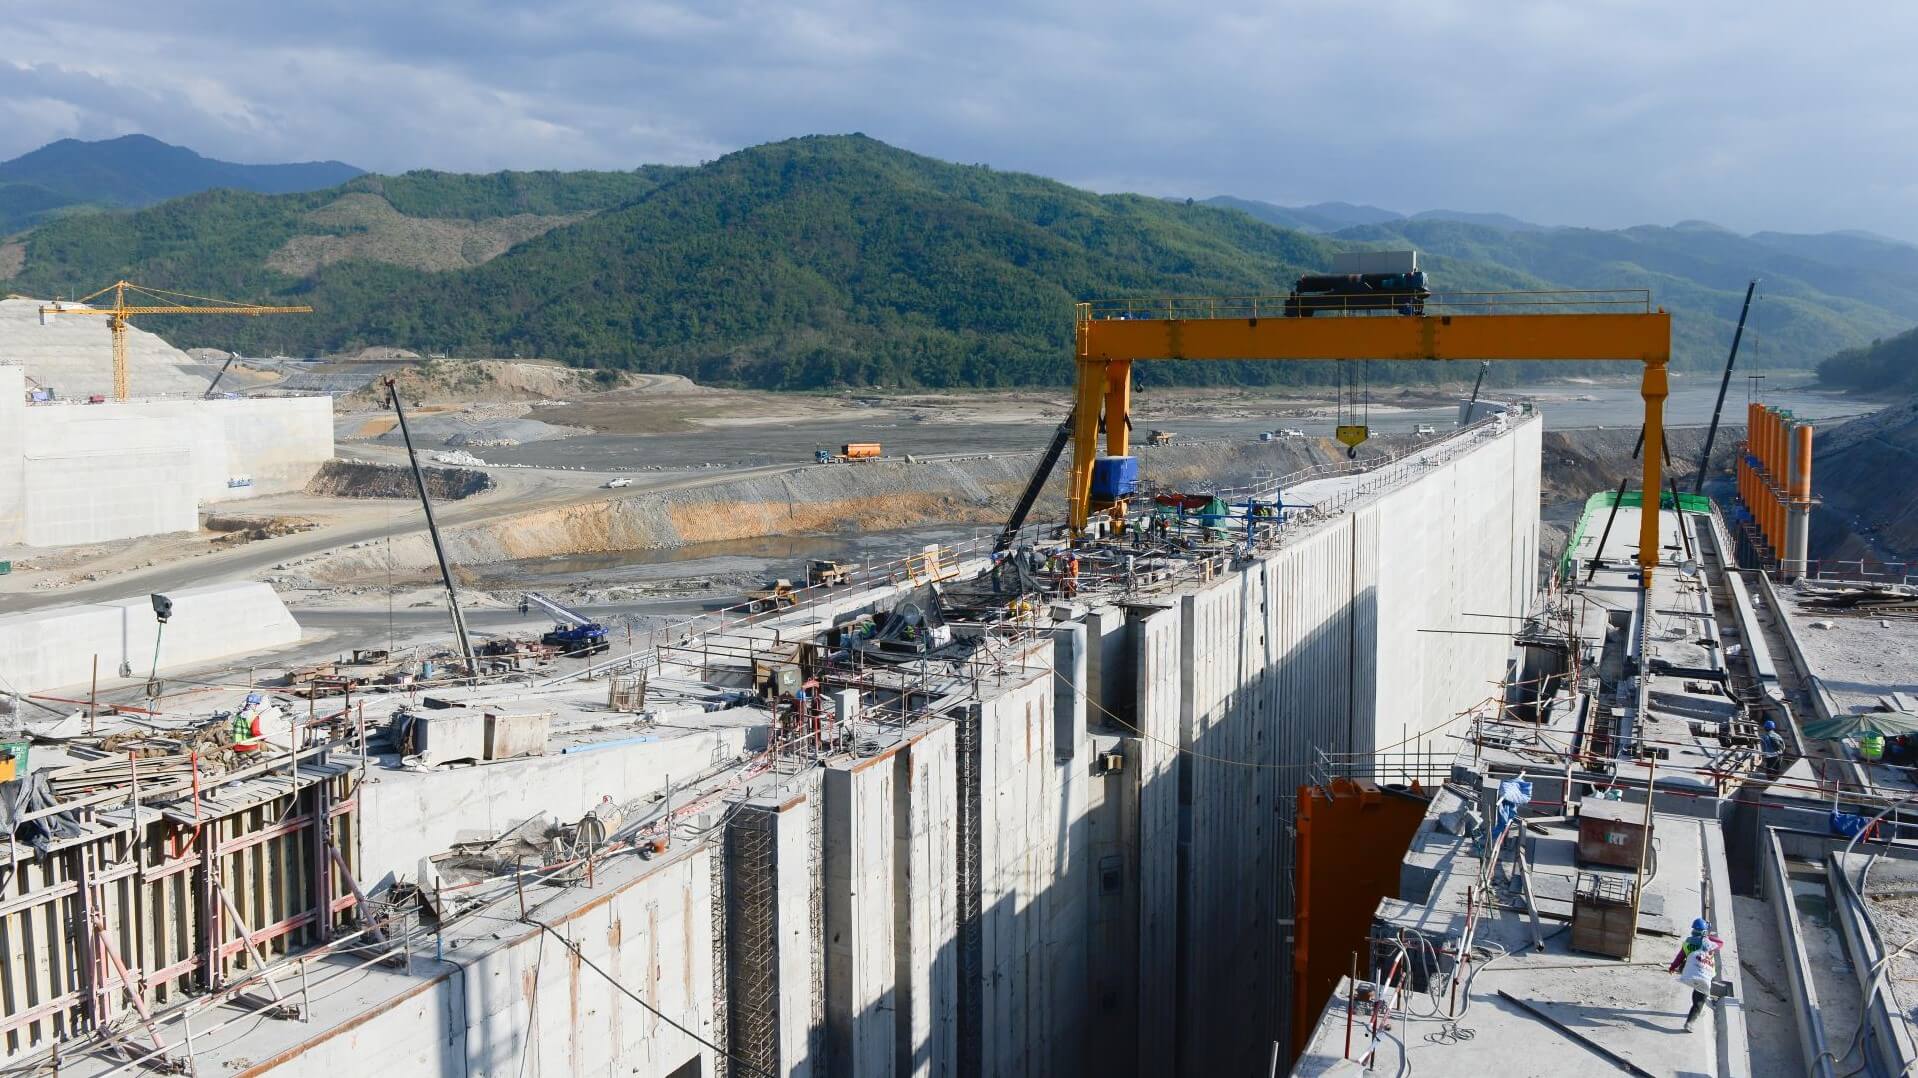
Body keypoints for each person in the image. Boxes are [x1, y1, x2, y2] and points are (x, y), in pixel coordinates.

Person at [1669, 917, 1724, 1031]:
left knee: (1695, 983)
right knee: (1700, 998)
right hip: (1702, 974)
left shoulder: (1688, 943)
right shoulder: (1709, 944)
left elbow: (1680, 957)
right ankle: (1690, 1022)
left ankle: (1696, 1009)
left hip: (1688, 972)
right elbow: (1721, 942)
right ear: (1704, 932)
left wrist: (1673, 967)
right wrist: (1706, 937)